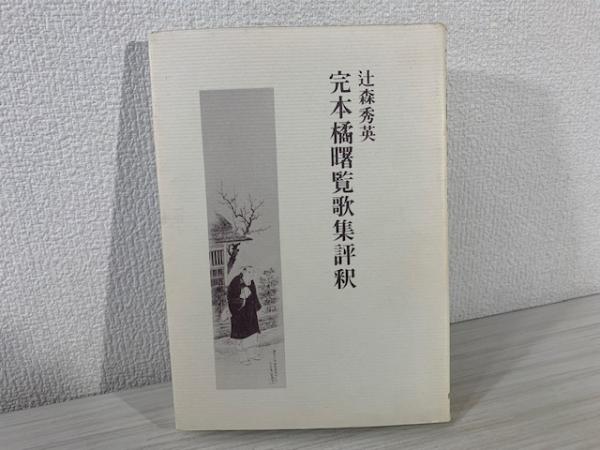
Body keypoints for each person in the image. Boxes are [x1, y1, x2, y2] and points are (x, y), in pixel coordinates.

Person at [227, 266, 262, 364]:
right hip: (239, 313)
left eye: (253, 272)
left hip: (250, 312)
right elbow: (230, 298)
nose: (252, 274)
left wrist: (257, 308)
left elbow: (254, 296)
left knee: (253, 333)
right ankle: (243, 358)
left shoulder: (251, 281)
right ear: (244, 272)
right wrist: (242, 298)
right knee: (241, 336)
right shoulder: (236, 282)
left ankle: (253, 354)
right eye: (250, 272)